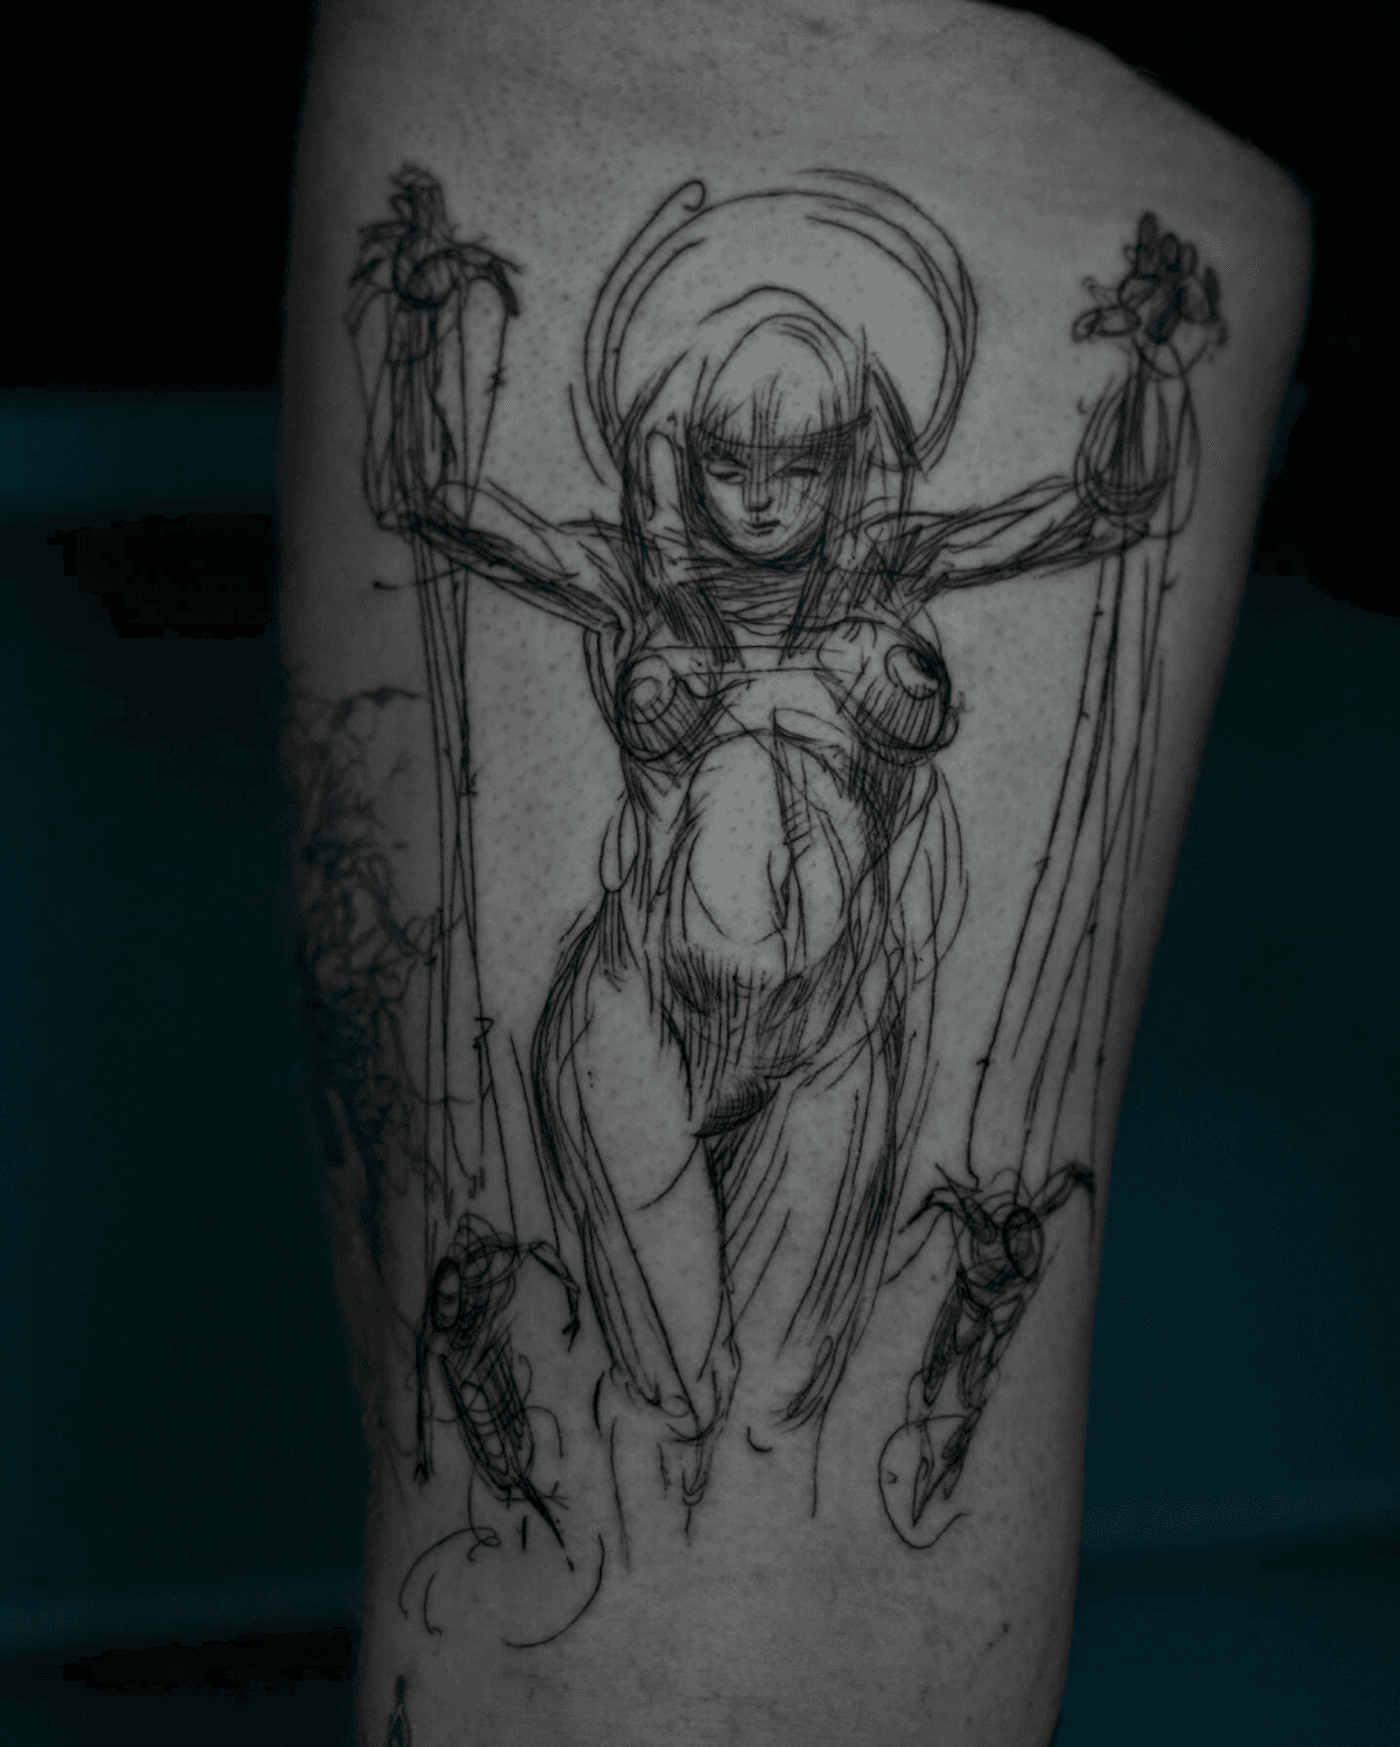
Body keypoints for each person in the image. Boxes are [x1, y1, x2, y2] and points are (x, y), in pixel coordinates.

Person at [282, 3, 1307, 1740]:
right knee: (669, 1421)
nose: (761, 497)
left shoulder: (893, 570)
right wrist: (420, 334)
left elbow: (1095, 512)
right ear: (677, 446)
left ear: (857, 454)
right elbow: (438, 499)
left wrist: (1147, 363)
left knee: (782, 1438)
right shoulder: (633, 578)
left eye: (801, 461)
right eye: (729, 459)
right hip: (636, 1001)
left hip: (840, 1022)